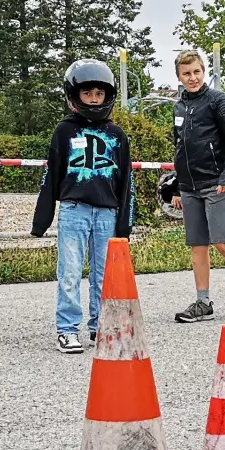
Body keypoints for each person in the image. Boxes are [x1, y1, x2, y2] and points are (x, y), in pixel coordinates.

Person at [31, 60, 134, 354]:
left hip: (107, 213)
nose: (93, 99)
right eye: (87, 93)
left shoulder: (117, 135)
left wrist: (124, 225)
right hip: (74, 210)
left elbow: (126, 181)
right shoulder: (64, 132)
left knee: (104, 275)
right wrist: (42, 220)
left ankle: (100, 326)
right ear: (75, 95)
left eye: (99, 94)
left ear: (107, 96)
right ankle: (67, 329)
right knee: (71, 272)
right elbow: (51, 176)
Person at [168, 50, 225, 322]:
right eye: (186, 73)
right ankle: (203, 302)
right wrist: (175, 187)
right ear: (179, 77)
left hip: (216, 183)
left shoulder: (218, 100)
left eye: (196, 72)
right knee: (198, 244)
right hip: (188, 186)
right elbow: (179, 147)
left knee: (221, 240)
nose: (192, 78)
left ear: (203, 72)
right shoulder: (178, 107)